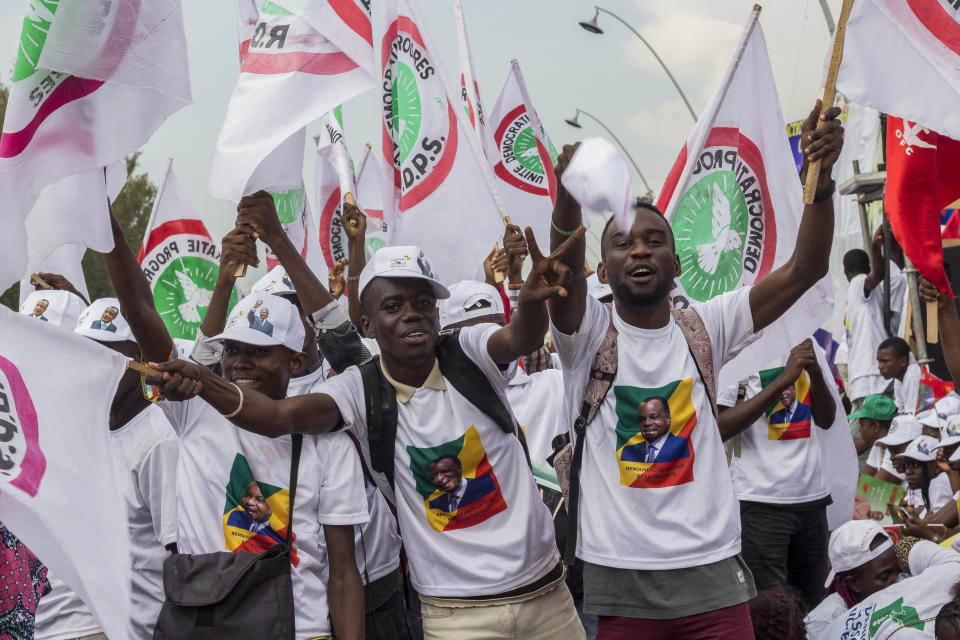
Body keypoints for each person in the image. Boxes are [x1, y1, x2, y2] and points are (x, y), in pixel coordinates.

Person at [148, 191, 588, 640]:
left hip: (546, 596)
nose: (411, 314)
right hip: (456, 616)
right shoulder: (358, 389)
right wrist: (205, 381)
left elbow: (520, 339)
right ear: (369, 325)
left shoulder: (468, 351)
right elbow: (278, 416)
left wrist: (532, 303)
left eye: (423, 302)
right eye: (393, 307)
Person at [539, 100, 843, 637]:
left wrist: (820, 184)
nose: (639, 251)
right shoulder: (588, 335)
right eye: (623, 243)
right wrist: (567, 195)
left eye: (654, 241)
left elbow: (806, 267)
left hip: (714, 574)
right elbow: (558, 270)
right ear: (604, 268)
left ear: (675, 264)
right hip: (619, 578)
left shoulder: (707, 325)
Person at [34, 210, 180, 640]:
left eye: (109, 357)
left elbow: (177, 556)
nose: (95, 369)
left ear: (138, 359)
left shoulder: (157, 440)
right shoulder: (85, 431)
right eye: (86, 355)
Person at [716, 339, 837, 610]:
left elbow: (826, 420)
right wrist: (783, 381)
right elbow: (721, 426)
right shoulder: (739, 349)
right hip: (761, 503)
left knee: (812, 607)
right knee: (771, 611)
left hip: (812, 499)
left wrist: (814, 370)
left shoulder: (806, 344)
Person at [820, 536, 960, 638]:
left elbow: (906, 545)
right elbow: (905, 546)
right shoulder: (953, 566)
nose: (896, 579)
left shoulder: (953, 566)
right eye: (885, 576)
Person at [803, 520, 898, 638]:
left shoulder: (900, 590)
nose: (897, 581)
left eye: (899, 571)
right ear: (854, 583)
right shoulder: (824, 625)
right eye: (884, 577)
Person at [897, 435, 946, 517]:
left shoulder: (939, 482)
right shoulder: (927, 486)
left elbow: (938, 527)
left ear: (936, 467)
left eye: (916, 465)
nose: (908, 471)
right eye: (906, 465)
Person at [848, 394, 898, 472]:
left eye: (862, 425)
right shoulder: (878, 446)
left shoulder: (895, 451)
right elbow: (864, 481)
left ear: (876, 426)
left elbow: (869, 483)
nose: (860, 430)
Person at [877, 337, 921, 414]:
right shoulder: (898, 378)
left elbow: (911, 418)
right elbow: (901, 411)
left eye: (885, 361)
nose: (880, 366)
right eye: (879, 361)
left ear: (903, 361)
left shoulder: (913, 376)